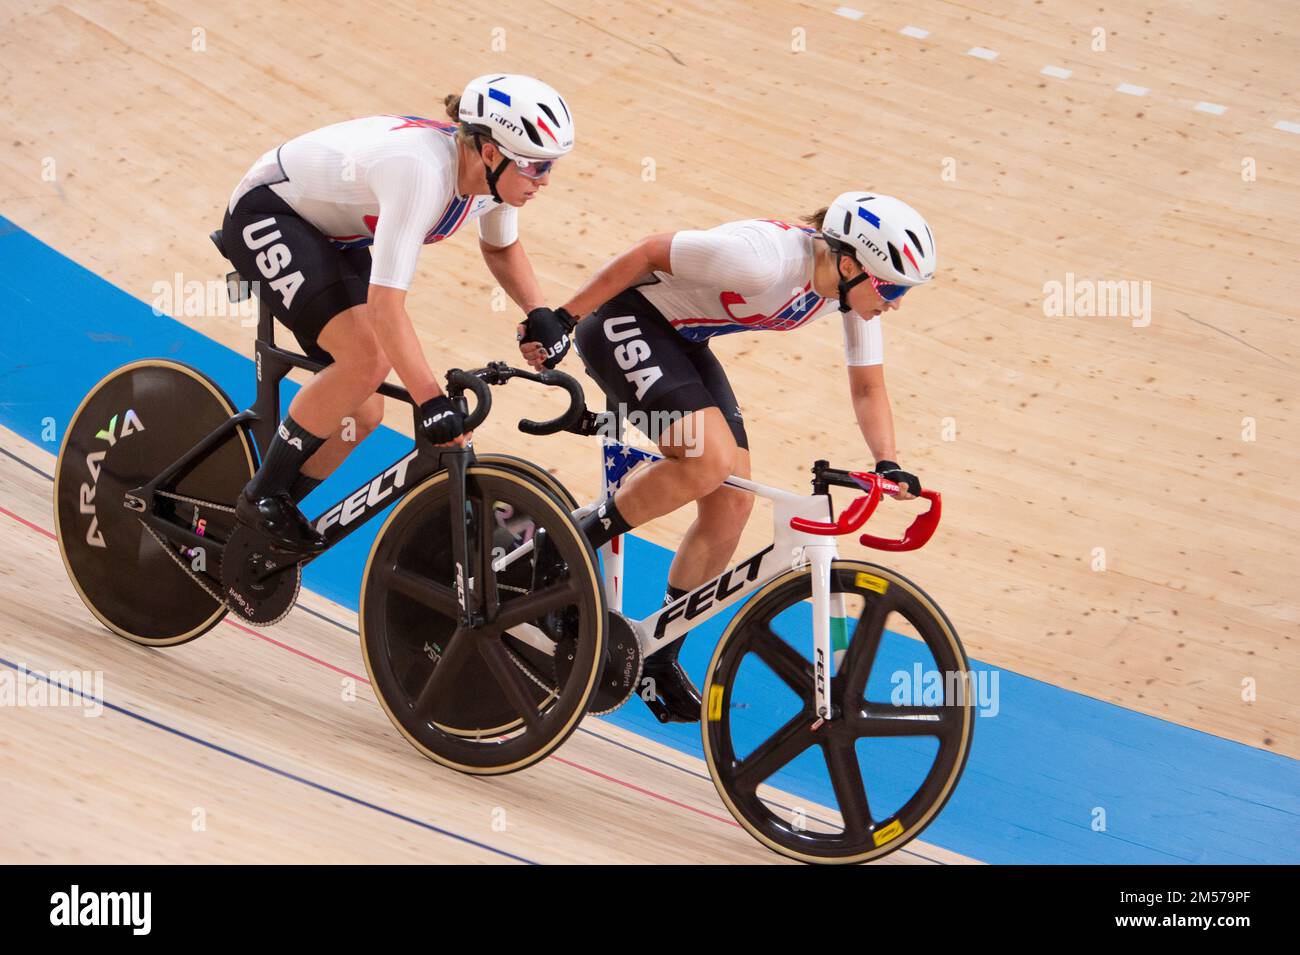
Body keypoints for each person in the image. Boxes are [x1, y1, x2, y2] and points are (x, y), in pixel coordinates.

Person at [518, 192, 937, 721]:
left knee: (732, 503)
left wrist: (887, 462)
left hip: (682, 341)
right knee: (706, 460)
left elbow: (867, 387)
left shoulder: (848, 291)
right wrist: (560, 318)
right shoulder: (762, 260)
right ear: (851, 263)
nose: (896, 302)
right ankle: (564, 542)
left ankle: (659, 651)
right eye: (893, 287)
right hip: (619, 321)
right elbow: (649, 252)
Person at [220, 73, 578, 554]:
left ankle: (257, 520)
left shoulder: (489, 181)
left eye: (550, 165)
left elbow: (501, 247)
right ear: (490, 152)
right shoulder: (420, 173)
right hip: (268, 214)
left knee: (361, 412)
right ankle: (259, 499)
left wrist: (540, 312)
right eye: (535, 166)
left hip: (331, 232)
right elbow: (387, 308)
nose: (545, 180)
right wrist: (431, 401)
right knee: (366, 361)